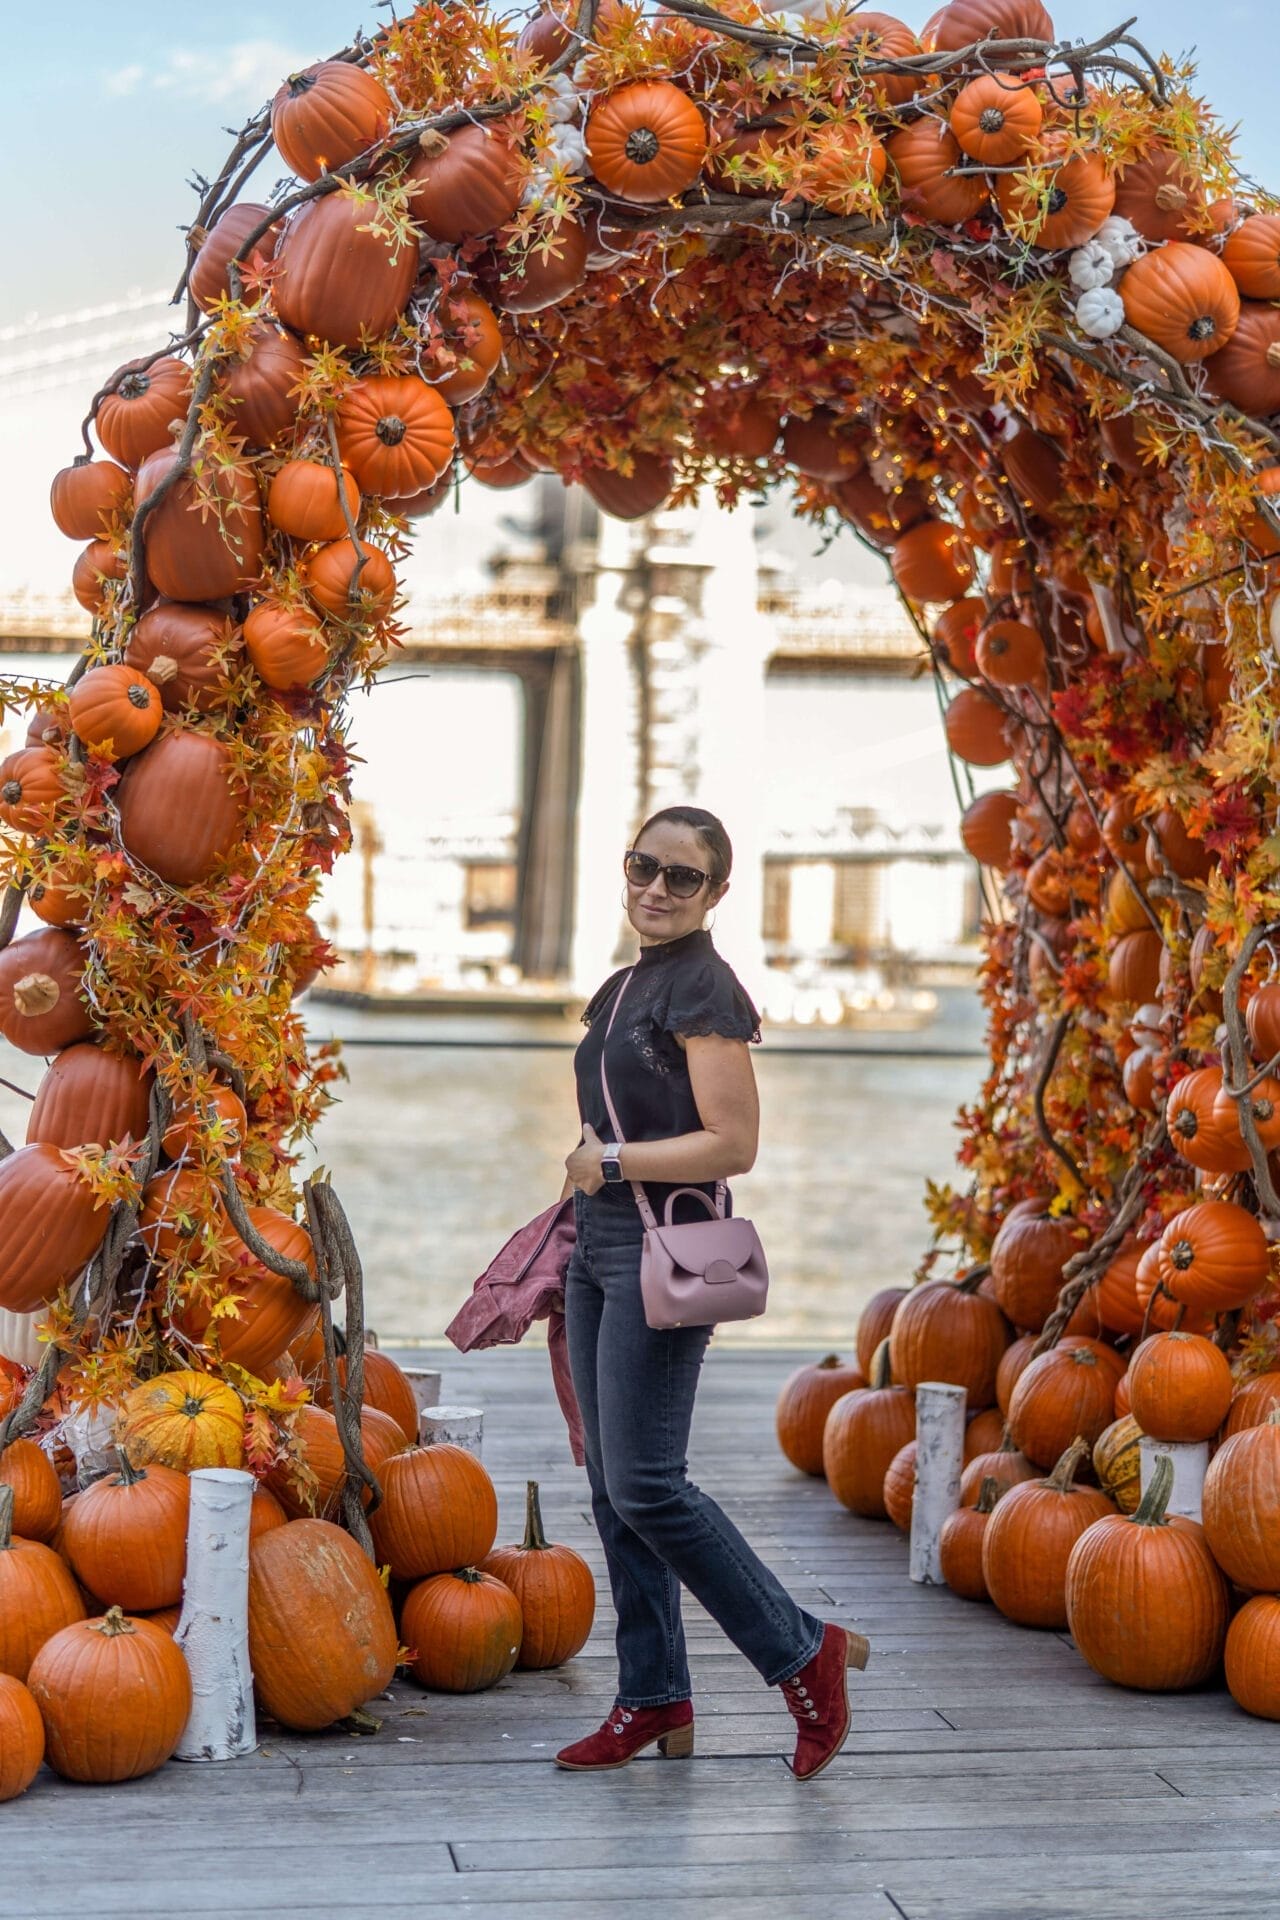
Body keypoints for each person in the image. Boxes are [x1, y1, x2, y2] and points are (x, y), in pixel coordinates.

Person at [555, 803, 868, 1781]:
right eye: (641, 866)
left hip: (668, 1245)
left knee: (649, 1483)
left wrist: (607, 1159)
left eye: (679, 878)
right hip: (598, 1244)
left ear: (715, 894)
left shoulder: (702, 988)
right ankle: (651, 1697)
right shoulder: (623, 987)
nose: (654, 888)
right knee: (613, 1492)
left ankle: (797, 1651)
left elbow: (733, 1144)